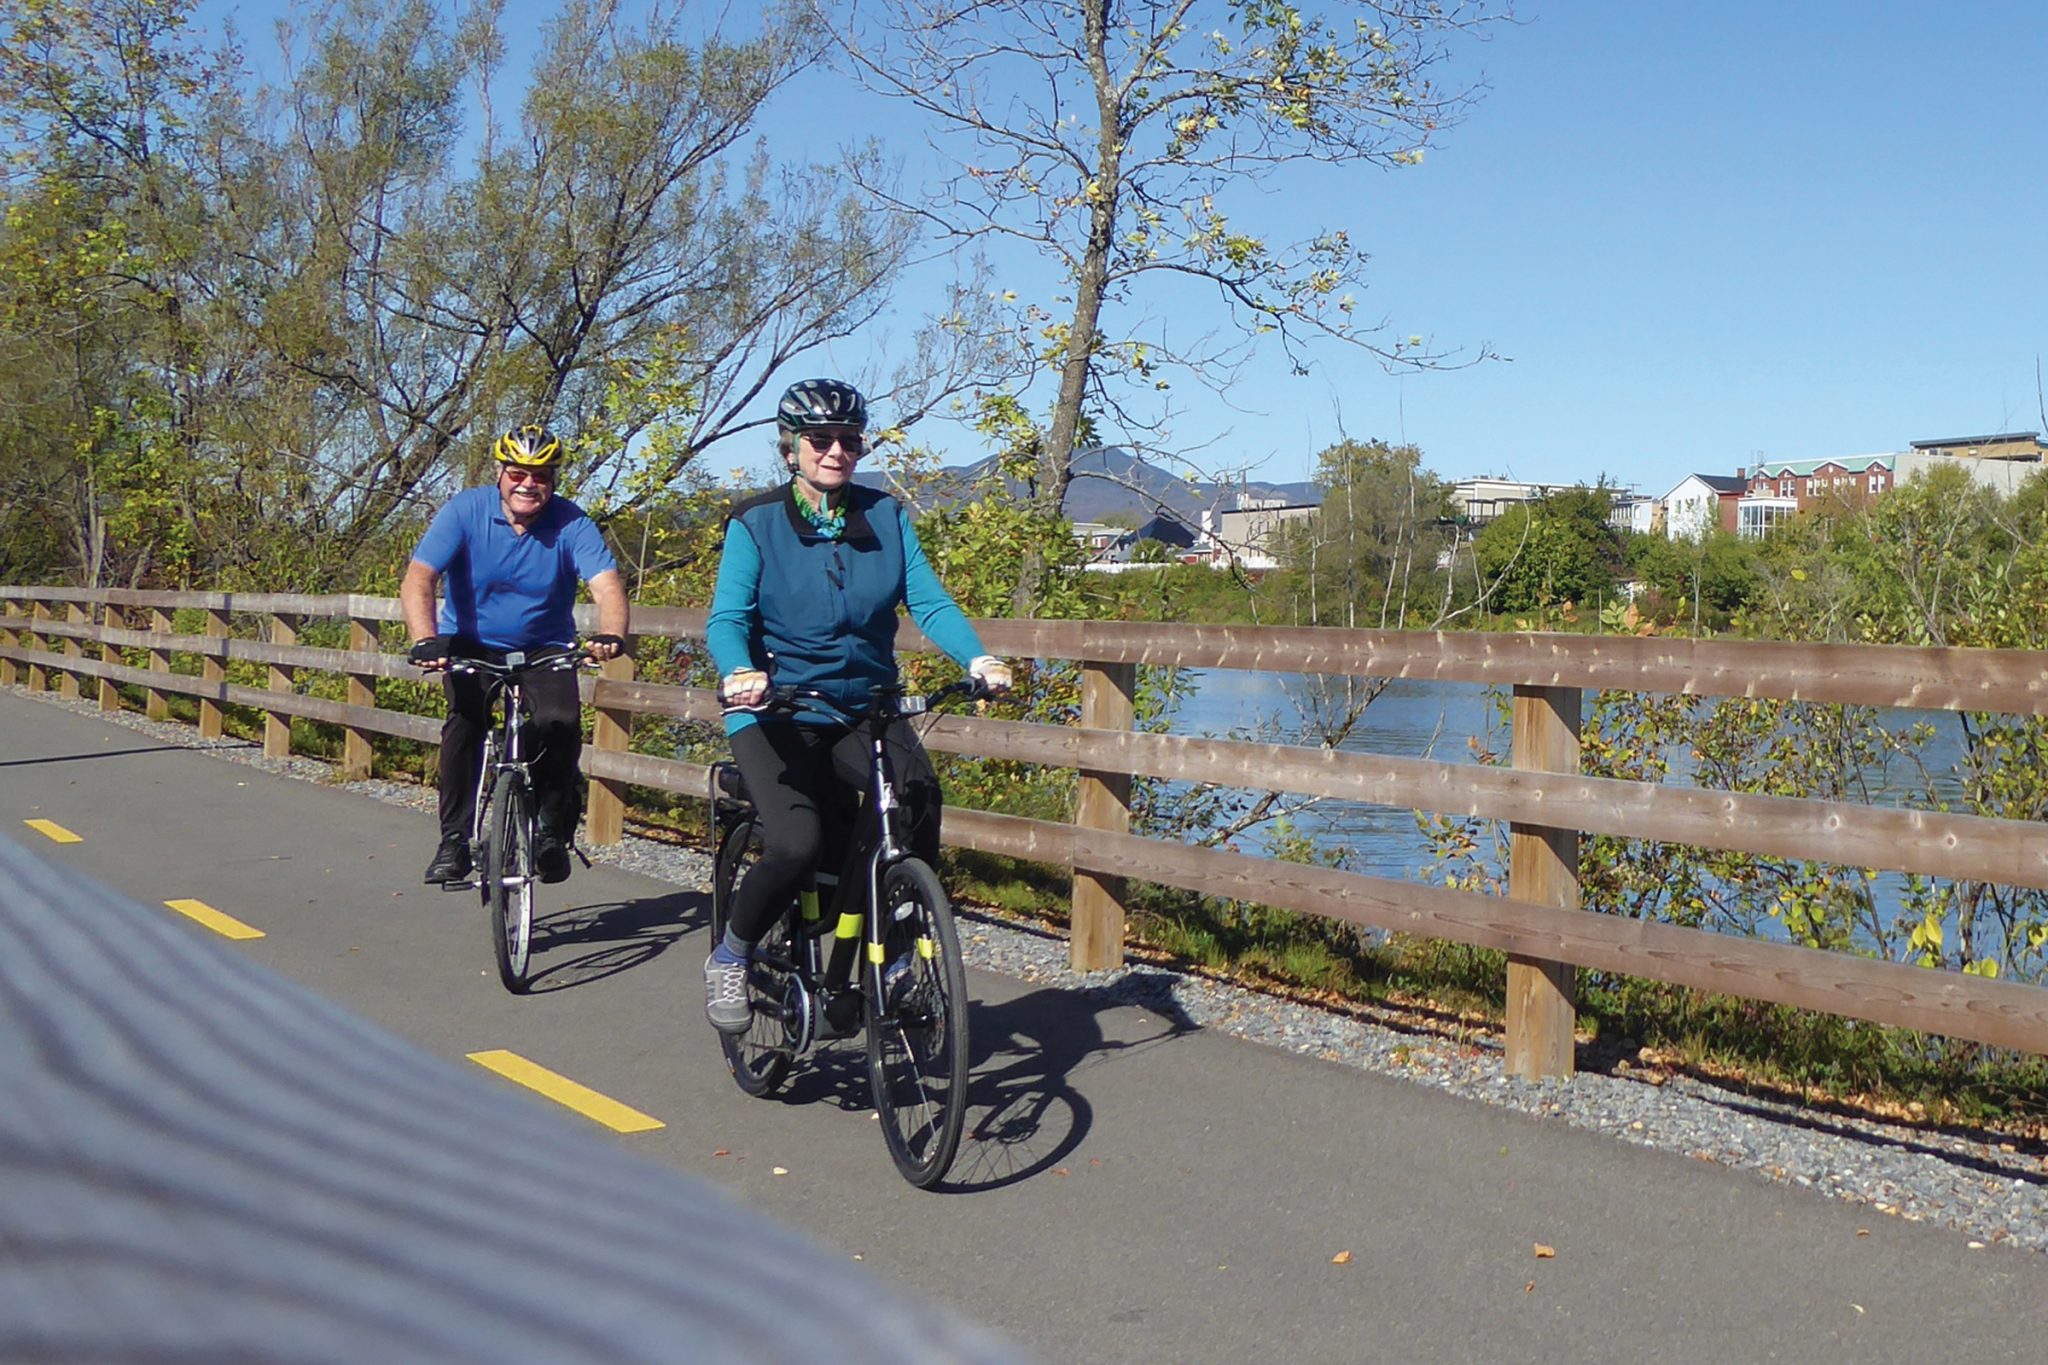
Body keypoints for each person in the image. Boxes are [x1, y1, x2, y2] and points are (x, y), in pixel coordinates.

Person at [702, 378, 1011, 1033]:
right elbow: (728, 618)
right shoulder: (756, 522)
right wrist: (740, 672)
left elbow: (928, 602)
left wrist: (978, 659)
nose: (836, 451)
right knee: (796, 844)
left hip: (863, 705)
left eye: (849, 439)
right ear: (790, 448)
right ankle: (733, 952)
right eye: (820, 439)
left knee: (917, 796)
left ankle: (894, 952)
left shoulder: (886, 516)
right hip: (776, 708)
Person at [401, 425, 630, 886]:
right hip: (472, 642)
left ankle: (549, 830)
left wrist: (611, 633)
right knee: (465, 722)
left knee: (559, 723)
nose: (529, 484)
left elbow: (607, 586)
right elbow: (419, 578)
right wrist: (425, 639)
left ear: (553, 481)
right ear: (500, 473)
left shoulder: (572, 522)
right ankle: (454, 840)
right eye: (518, 473)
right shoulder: (465, 510)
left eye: (540, 476)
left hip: (545, 647)